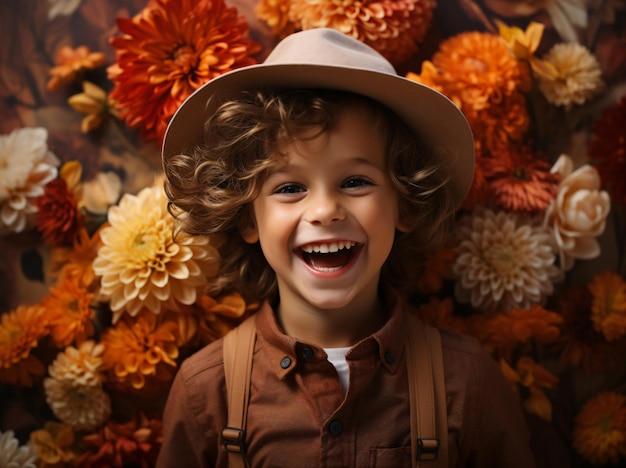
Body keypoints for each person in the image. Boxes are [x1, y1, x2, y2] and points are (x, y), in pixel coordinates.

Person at [157, 28, 536, 467]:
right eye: (290, 187)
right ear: (247, 218)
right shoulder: (207, 391)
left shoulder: (467, 382)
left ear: (406, 205)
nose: (324, 210)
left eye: (355, 182)